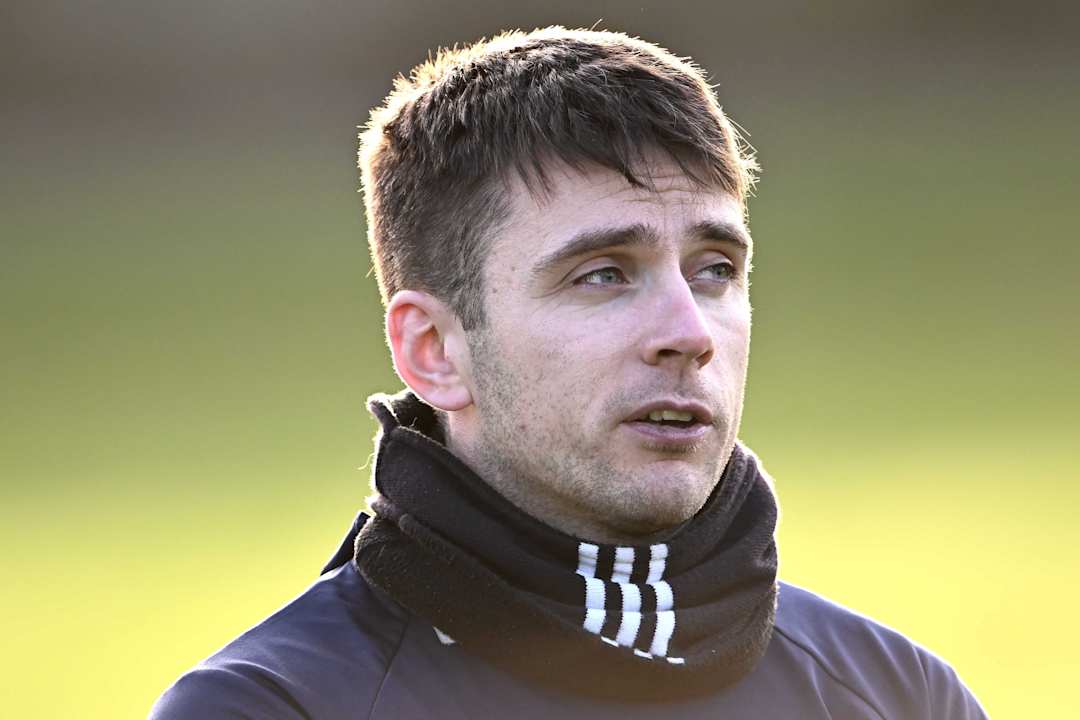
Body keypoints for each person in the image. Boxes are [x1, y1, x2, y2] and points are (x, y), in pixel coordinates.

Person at [151, 26, 987, 719]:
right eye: (604, 274)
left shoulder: (897, 695)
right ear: (433, 351)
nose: (689, 334)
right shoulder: (273, 707)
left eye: (715, 270)